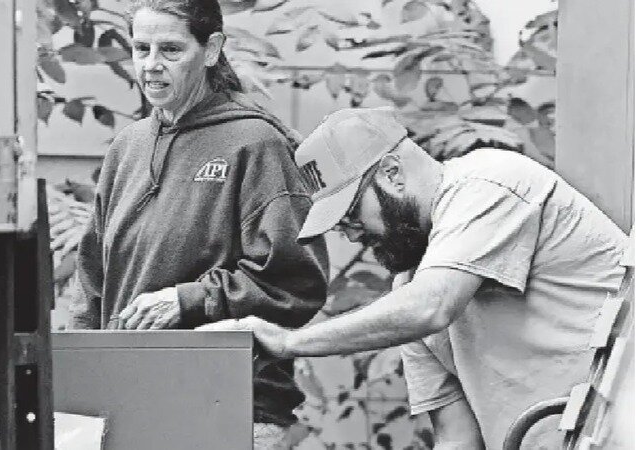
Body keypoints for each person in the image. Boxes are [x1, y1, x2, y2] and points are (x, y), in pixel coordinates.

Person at [200, 108, 628, 448]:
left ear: (392, 172)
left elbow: (432, 306)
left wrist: (289, 342)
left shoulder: (490, 182)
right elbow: (457, 439)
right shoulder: (408, 293)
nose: (352, 235)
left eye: (351, 214)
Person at [69, 0, 330, 447]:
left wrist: (189, 300)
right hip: (128, 402)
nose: (151, 64)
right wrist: (78, 380)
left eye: (170, 49)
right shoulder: (127, 147)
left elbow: (296, 282)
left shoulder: (257, 143)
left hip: (230, 407)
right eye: (141, 48)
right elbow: (93, 282)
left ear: (211, 49)